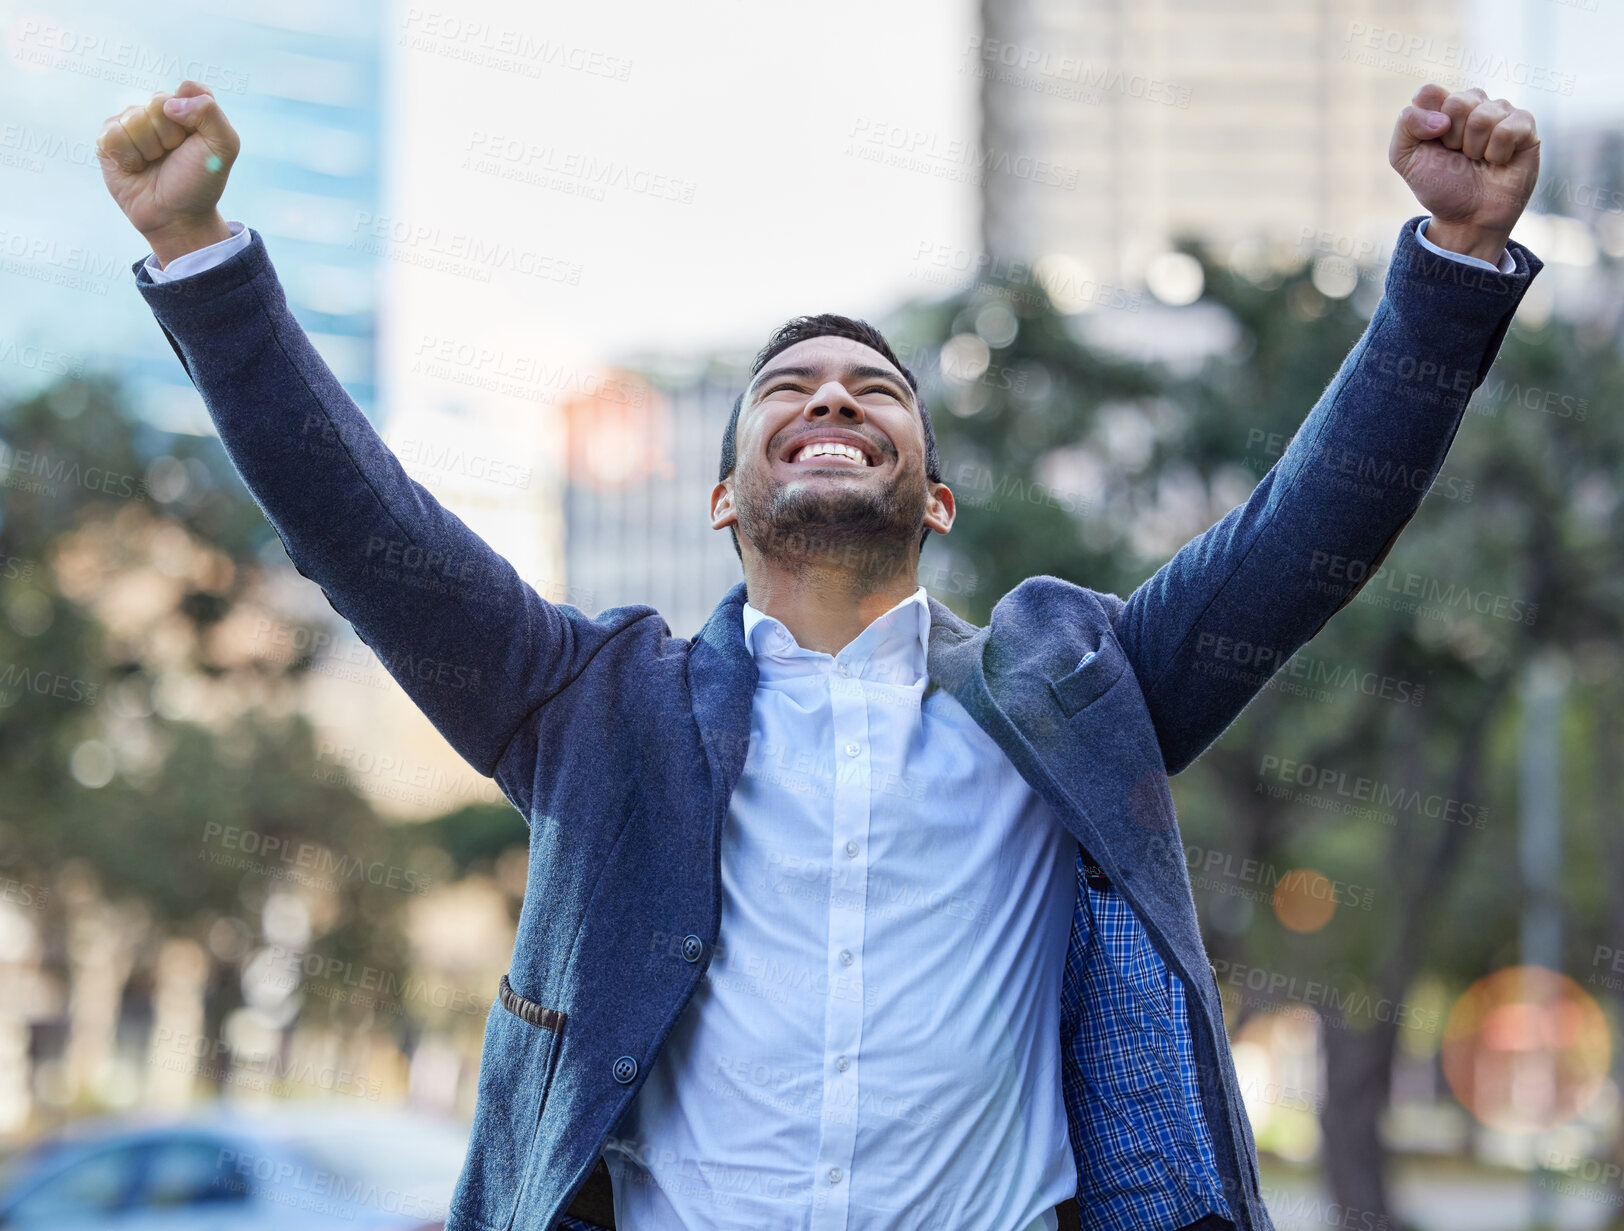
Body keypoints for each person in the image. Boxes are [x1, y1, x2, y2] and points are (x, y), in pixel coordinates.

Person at [96, 77, 1542, 1231]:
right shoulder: (592, 705)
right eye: (787, 389)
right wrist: (199, 260)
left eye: (875, 389)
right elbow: (361, 528)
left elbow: (1303, 539)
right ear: (725, 498)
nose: (831, 397)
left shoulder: (1080, 689)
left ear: (937, 493)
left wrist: (1455, 261)